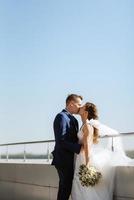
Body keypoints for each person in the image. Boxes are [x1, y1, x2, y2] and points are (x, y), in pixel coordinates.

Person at [71, 102, 133, 200]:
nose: (80, 107)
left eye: (82, 107)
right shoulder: (85, 125)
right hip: (80, 157)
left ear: (85, 112)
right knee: (81, 186)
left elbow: (87, 145)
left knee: (83, 187)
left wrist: (87, 164)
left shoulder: (87, 125)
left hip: (84, 158)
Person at [51, 94, 83, 200]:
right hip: (63, 159)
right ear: (71, 104)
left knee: (66, 188)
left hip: (71, 159)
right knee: (65, 188)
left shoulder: (74, 120)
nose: (80, 107)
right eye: (79, 104)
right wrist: (79, 148)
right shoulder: (61, 117)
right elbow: (61, 140)